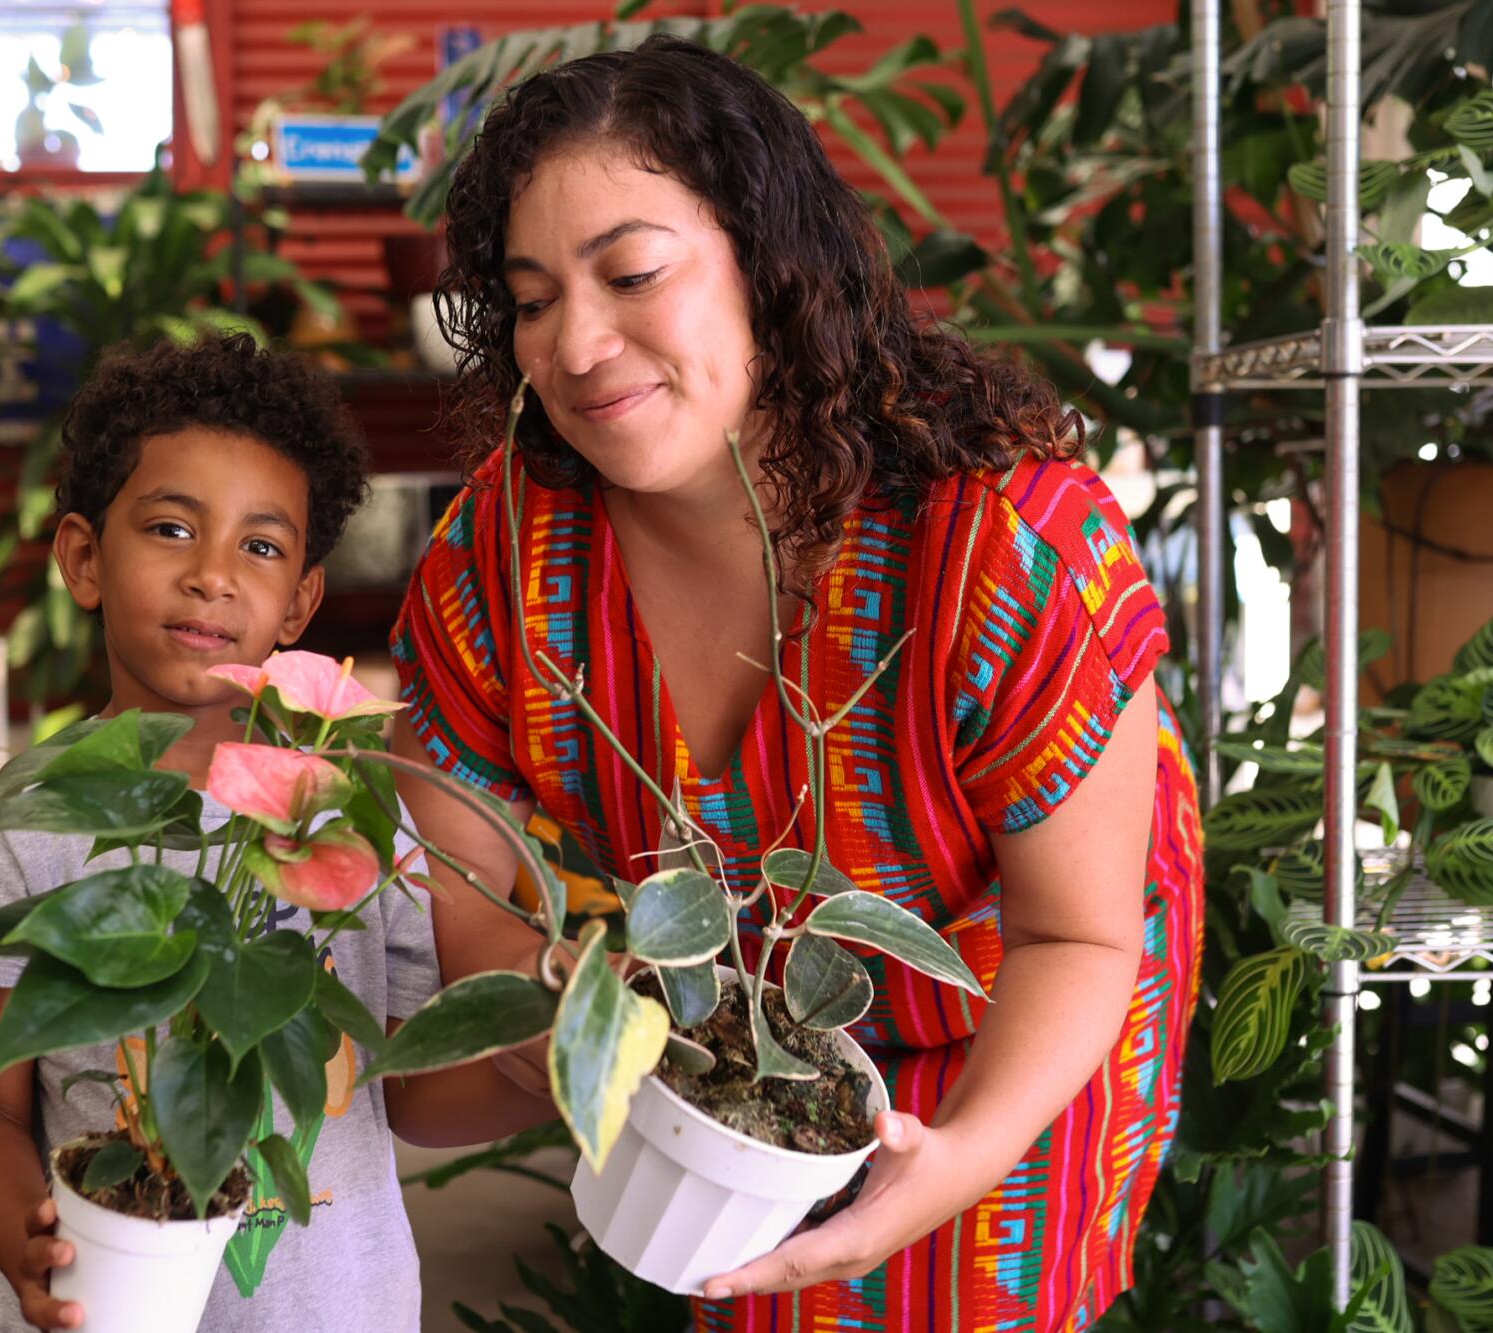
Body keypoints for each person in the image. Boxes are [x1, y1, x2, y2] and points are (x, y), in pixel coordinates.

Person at [389, 36, 1205, 1332]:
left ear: (770, 260)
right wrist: (573, 1048)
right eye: (532, 297)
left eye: (634, 272)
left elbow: (1079, 935)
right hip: (724, 1054)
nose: (578, 343)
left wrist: (964, 1153)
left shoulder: (1008, 546)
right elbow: (476, 901)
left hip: (1011, 1023)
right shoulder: (502, 558)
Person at [0, 333, 551, 1333]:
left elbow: (414, 1096)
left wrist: (549, 1078)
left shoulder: (345, 812)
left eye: (260, 546)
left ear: (301, 599)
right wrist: (32, 1247)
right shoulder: (27, 827)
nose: (213, 575)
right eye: (171, 529)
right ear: (84, 558)